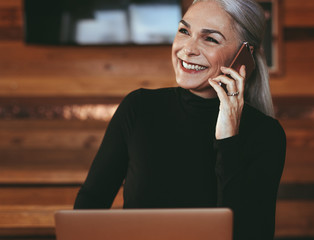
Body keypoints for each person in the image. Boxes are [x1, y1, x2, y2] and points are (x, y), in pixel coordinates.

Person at [74, 0, 286, 239]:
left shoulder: (266, 134)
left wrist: (229, 139)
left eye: (210, 39)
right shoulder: (139, 108)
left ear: (243, 56)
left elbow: (249, 233)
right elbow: (90, 205)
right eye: (184, 31)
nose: (187, 49)